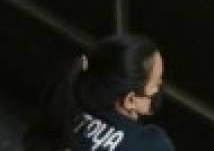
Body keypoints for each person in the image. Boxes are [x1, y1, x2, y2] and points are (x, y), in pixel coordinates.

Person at [25, 34, 171, 151]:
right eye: (157, 82)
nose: (160, 86)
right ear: (130, 100)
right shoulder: (152, 144)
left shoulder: (65, 103)